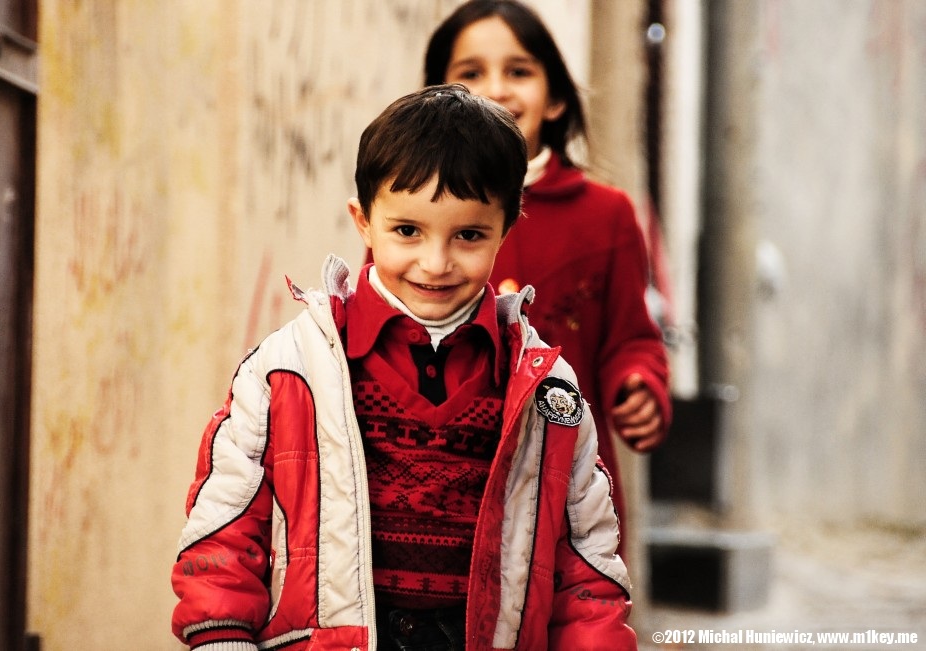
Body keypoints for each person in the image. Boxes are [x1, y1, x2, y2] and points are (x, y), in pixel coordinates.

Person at [171, 84, 636, 650]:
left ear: (508, 227)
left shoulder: (546, 395)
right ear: (363, 220)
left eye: (468, 235)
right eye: (407, 231)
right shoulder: (287, 372)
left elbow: (587, 569)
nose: (435, 263)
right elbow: (223, 531)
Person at [422, 0, 672, 553]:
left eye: (518, 71)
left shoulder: (605, 214)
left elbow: (632, 339)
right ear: (435, 98)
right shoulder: (417, 205)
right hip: (441, 488)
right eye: (469, 73)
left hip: (569, 493)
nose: (496, 89)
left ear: (555, 98)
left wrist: (640, 385)